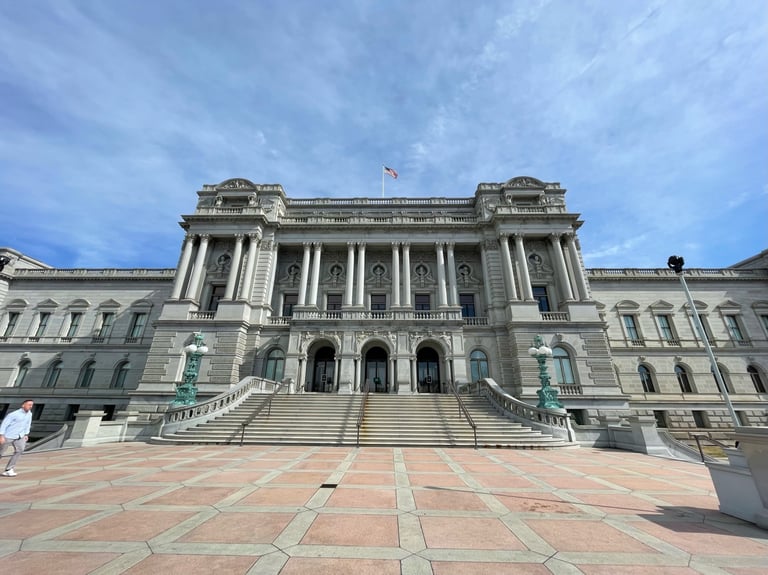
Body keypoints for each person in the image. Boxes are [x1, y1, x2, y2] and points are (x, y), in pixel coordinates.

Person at [0, 399, 34, 477]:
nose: (30, 406)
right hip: (8, 435)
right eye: (29, 404)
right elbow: (4, 425)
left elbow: (28, 424)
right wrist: (1, 436)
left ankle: (9, 469)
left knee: (20, 450)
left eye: (31, 405)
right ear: (23, 405)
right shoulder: (13, 414)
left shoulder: (29, 414)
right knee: (1, 452)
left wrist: (26, 434)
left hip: (20, 436)